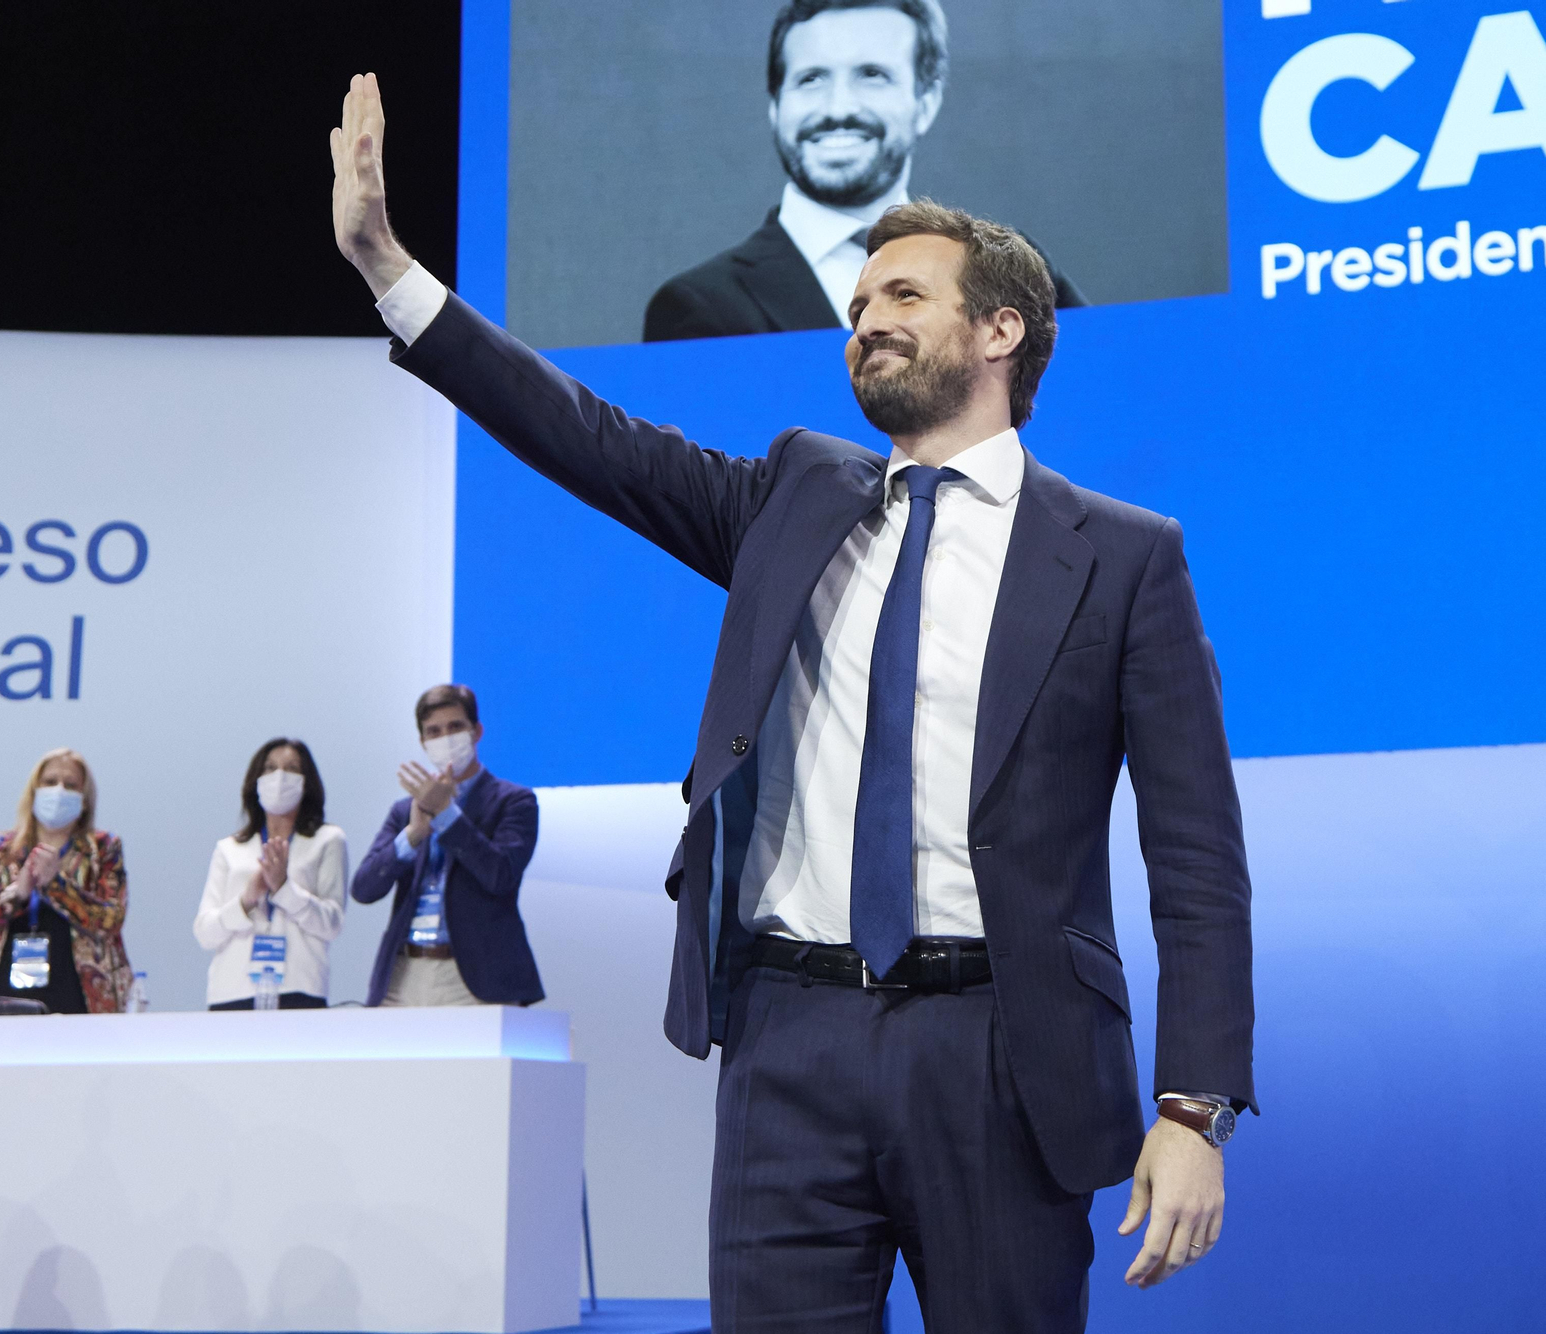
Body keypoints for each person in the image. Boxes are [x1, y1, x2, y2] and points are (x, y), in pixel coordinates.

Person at [333, 77, 1253, 1329]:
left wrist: (1191, 1106)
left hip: (999, 1051)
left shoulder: (1119, 555)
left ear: (998, 331)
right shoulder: (793, 494)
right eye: (859, 300)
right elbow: (586, 436)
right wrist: (392, 273)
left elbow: (1195, 854)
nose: (864, 319)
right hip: (785, 1040)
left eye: (902, 297)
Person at [643, 0, 1083, 344]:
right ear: (776, 106)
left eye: (872, 75)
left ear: (925, 102)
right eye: (811, 79)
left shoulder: (1021, 272)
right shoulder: (697, 309)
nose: (838, 108)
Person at [350, 685, 542, 1008]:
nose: (445, 738)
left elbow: (500, 875)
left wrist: (447, 815)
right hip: (403, 974)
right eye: (434, 732)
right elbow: (364, 888)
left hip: (473, 978)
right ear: (423, 742)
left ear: (476, 731)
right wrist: (412, 835)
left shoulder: (514, 801)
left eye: (455, 727)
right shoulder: (404, 811)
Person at [0, 748, 132, 1015]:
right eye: (49, 782)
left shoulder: (102, 848)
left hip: (80, 993)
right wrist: (17, 894)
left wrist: (56, 886)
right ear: (34, 791)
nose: (58, 791)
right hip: (1, 991)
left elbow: (111, 920)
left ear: (84, 800)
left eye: (70, 785)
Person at [193, 738, 347, 1010]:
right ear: (256, 781)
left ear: (306, 781)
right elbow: (205, 933)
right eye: (270, 768)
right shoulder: (229, 848)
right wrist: (246, 900)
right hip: (232, 990)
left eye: (292, 768)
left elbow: (331, 924)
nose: (279, 777)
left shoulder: (328, 840)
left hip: (300, 988)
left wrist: (284, 889)